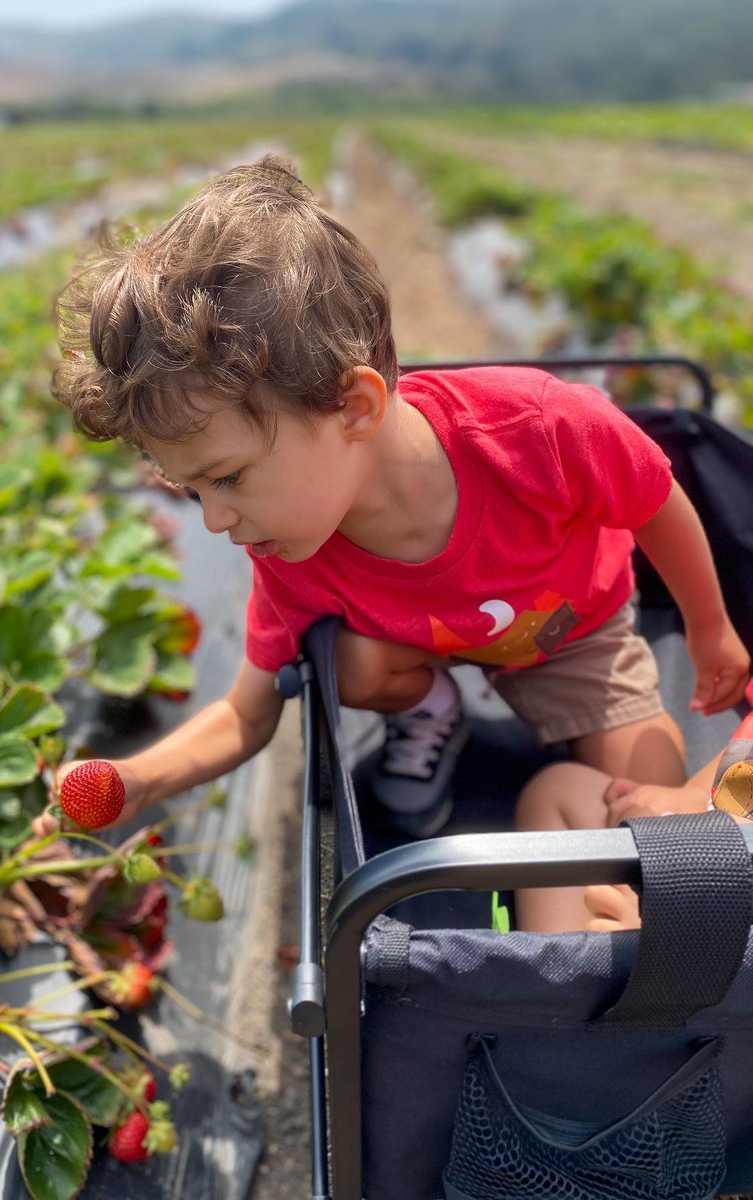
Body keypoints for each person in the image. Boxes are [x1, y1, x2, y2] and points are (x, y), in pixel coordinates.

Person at [39, 154, 749, 840]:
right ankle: (430, 706)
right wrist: (138, 781)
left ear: (353, 406)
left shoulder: (538, 429)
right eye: (189, 489)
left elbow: (655, 499)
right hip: (413, 646)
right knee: (342, 661)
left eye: (227, 478)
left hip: (566, 625)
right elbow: (246, 714)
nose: (217, 519)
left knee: (641, 785)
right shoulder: (291, 545)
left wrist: (708, 627)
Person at [515, 700, 753, 933]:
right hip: (708, 846)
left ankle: (667, 947)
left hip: (722, 915)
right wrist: (689, 796)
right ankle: (562, 963)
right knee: (562, 788)